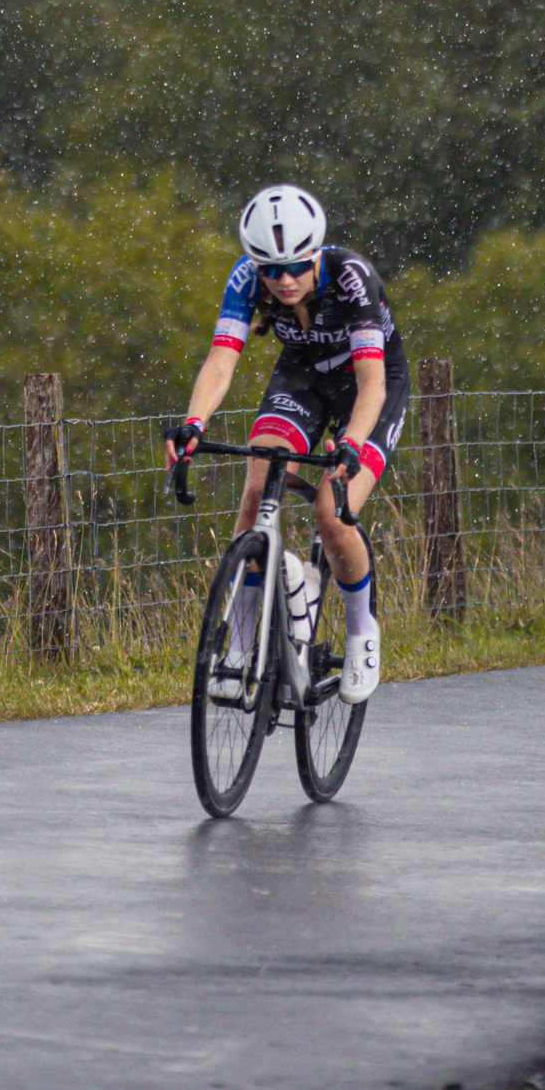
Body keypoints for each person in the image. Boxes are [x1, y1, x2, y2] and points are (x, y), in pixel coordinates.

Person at [165, 184, 410, 703]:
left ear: (315, 253)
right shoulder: (245, 278)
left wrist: (351, 443)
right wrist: (192, 424)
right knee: (256, 488)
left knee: (331, 512)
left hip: (369, 388)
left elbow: (373, 382)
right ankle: (242, 645)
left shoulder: (351, 278)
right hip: (302, 376)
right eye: (269, 270)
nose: (282, 280)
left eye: (295, 267)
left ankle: (363, 631)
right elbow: (222, 360)